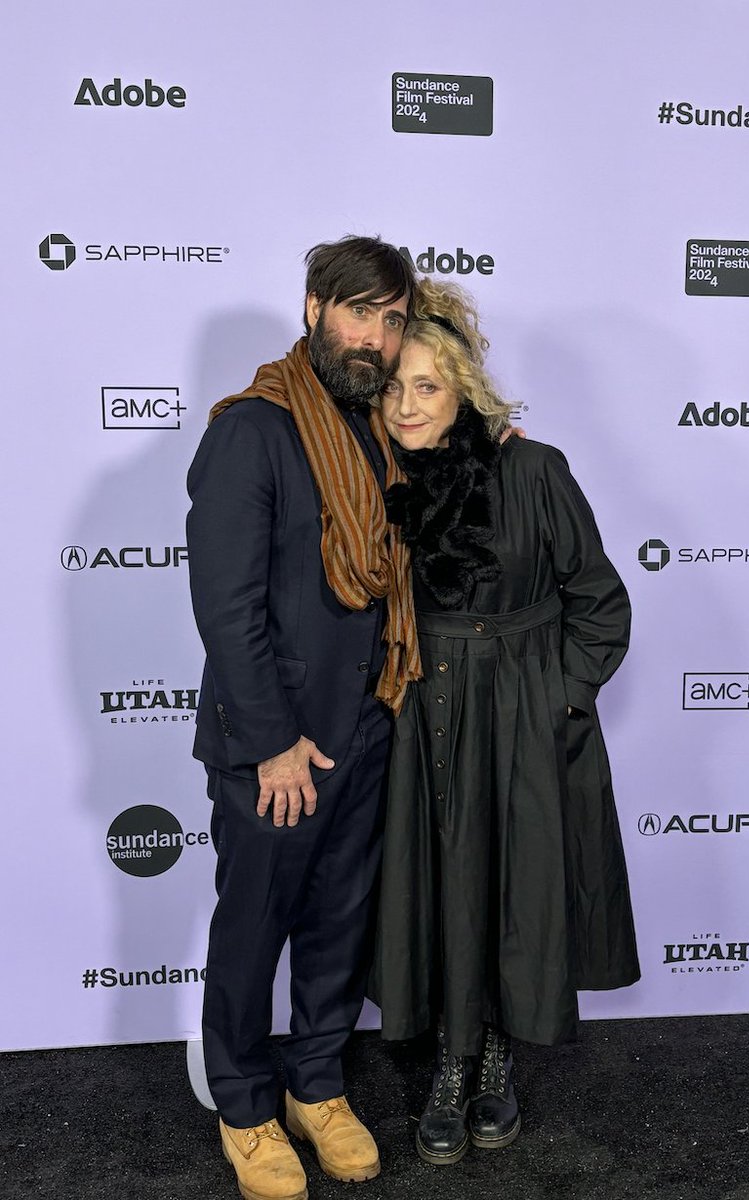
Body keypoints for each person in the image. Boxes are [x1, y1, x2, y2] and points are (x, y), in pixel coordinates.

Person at [370, 279, 640, 1166]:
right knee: (444, 885)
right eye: (393, 386)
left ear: (465, 392)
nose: (407, 406)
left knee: (511, 884)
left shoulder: (533, 470)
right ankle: (450, 1059)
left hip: (520, 707)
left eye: (427, 387)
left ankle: (496, 1058)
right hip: (423, 713)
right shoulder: (373, 476)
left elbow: (598, 602)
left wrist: (558, 695)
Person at [186, 235, 419, 1200]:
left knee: (337, 922)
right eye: (357, 311)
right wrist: (274, 742)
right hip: (278, 743)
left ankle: (315, 1085)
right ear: (316, 308)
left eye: (392, 320)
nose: (373, 335)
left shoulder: (380, 428)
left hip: (366, 723)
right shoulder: (254, 427)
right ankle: (244, 1105)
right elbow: (226, 607)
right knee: (255, 925)